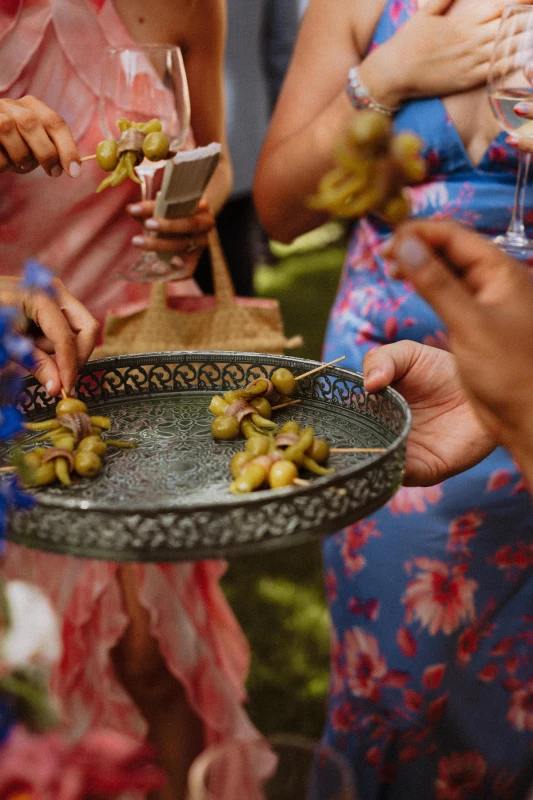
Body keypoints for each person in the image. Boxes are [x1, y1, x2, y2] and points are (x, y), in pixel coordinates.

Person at [253, 0, 533, 797]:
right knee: (397, 701)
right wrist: (388, 74)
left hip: (524, 389)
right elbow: (278, 208)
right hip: (391, 407)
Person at [0, 3, 273, 799]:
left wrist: (196, 208)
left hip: (149, 364)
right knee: (27, 669)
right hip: (20, 369)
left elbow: (211, 153)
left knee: (154, 660)